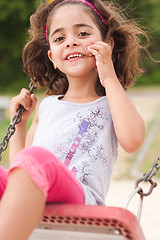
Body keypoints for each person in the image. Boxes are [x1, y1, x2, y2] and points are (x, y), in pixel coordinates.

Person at [0, 0, 147, 239]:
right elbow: (23, 170)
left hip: (82, 200)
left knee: (38, 159)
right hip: (41, 193)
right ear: (52, 57)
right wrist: (19, 126)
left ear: (107, 44)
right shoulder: (47, 108)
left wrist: (109, 77)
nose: (71, 41)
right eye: (59, 39)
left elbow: (133, 141)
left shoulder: (112, 102)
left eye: (83, 33)